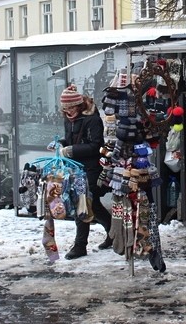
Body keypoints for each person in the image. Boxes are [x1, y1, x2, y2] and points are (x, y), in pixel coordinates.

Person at [56, 84, 112, 259]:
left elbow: (96, 146)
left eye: (71, 108)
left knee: (82, 205)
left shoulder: (93, 120)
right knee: (93, 204)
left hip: (91, 169)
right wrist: (61, 144)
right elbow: (72, 139)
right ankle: (113, 233)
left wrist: (71, 150)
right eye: (65, 109)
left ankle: (80, 246)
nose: (68, 112)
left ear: (79, 105)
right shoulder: (69, 119)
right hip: (75, 168)